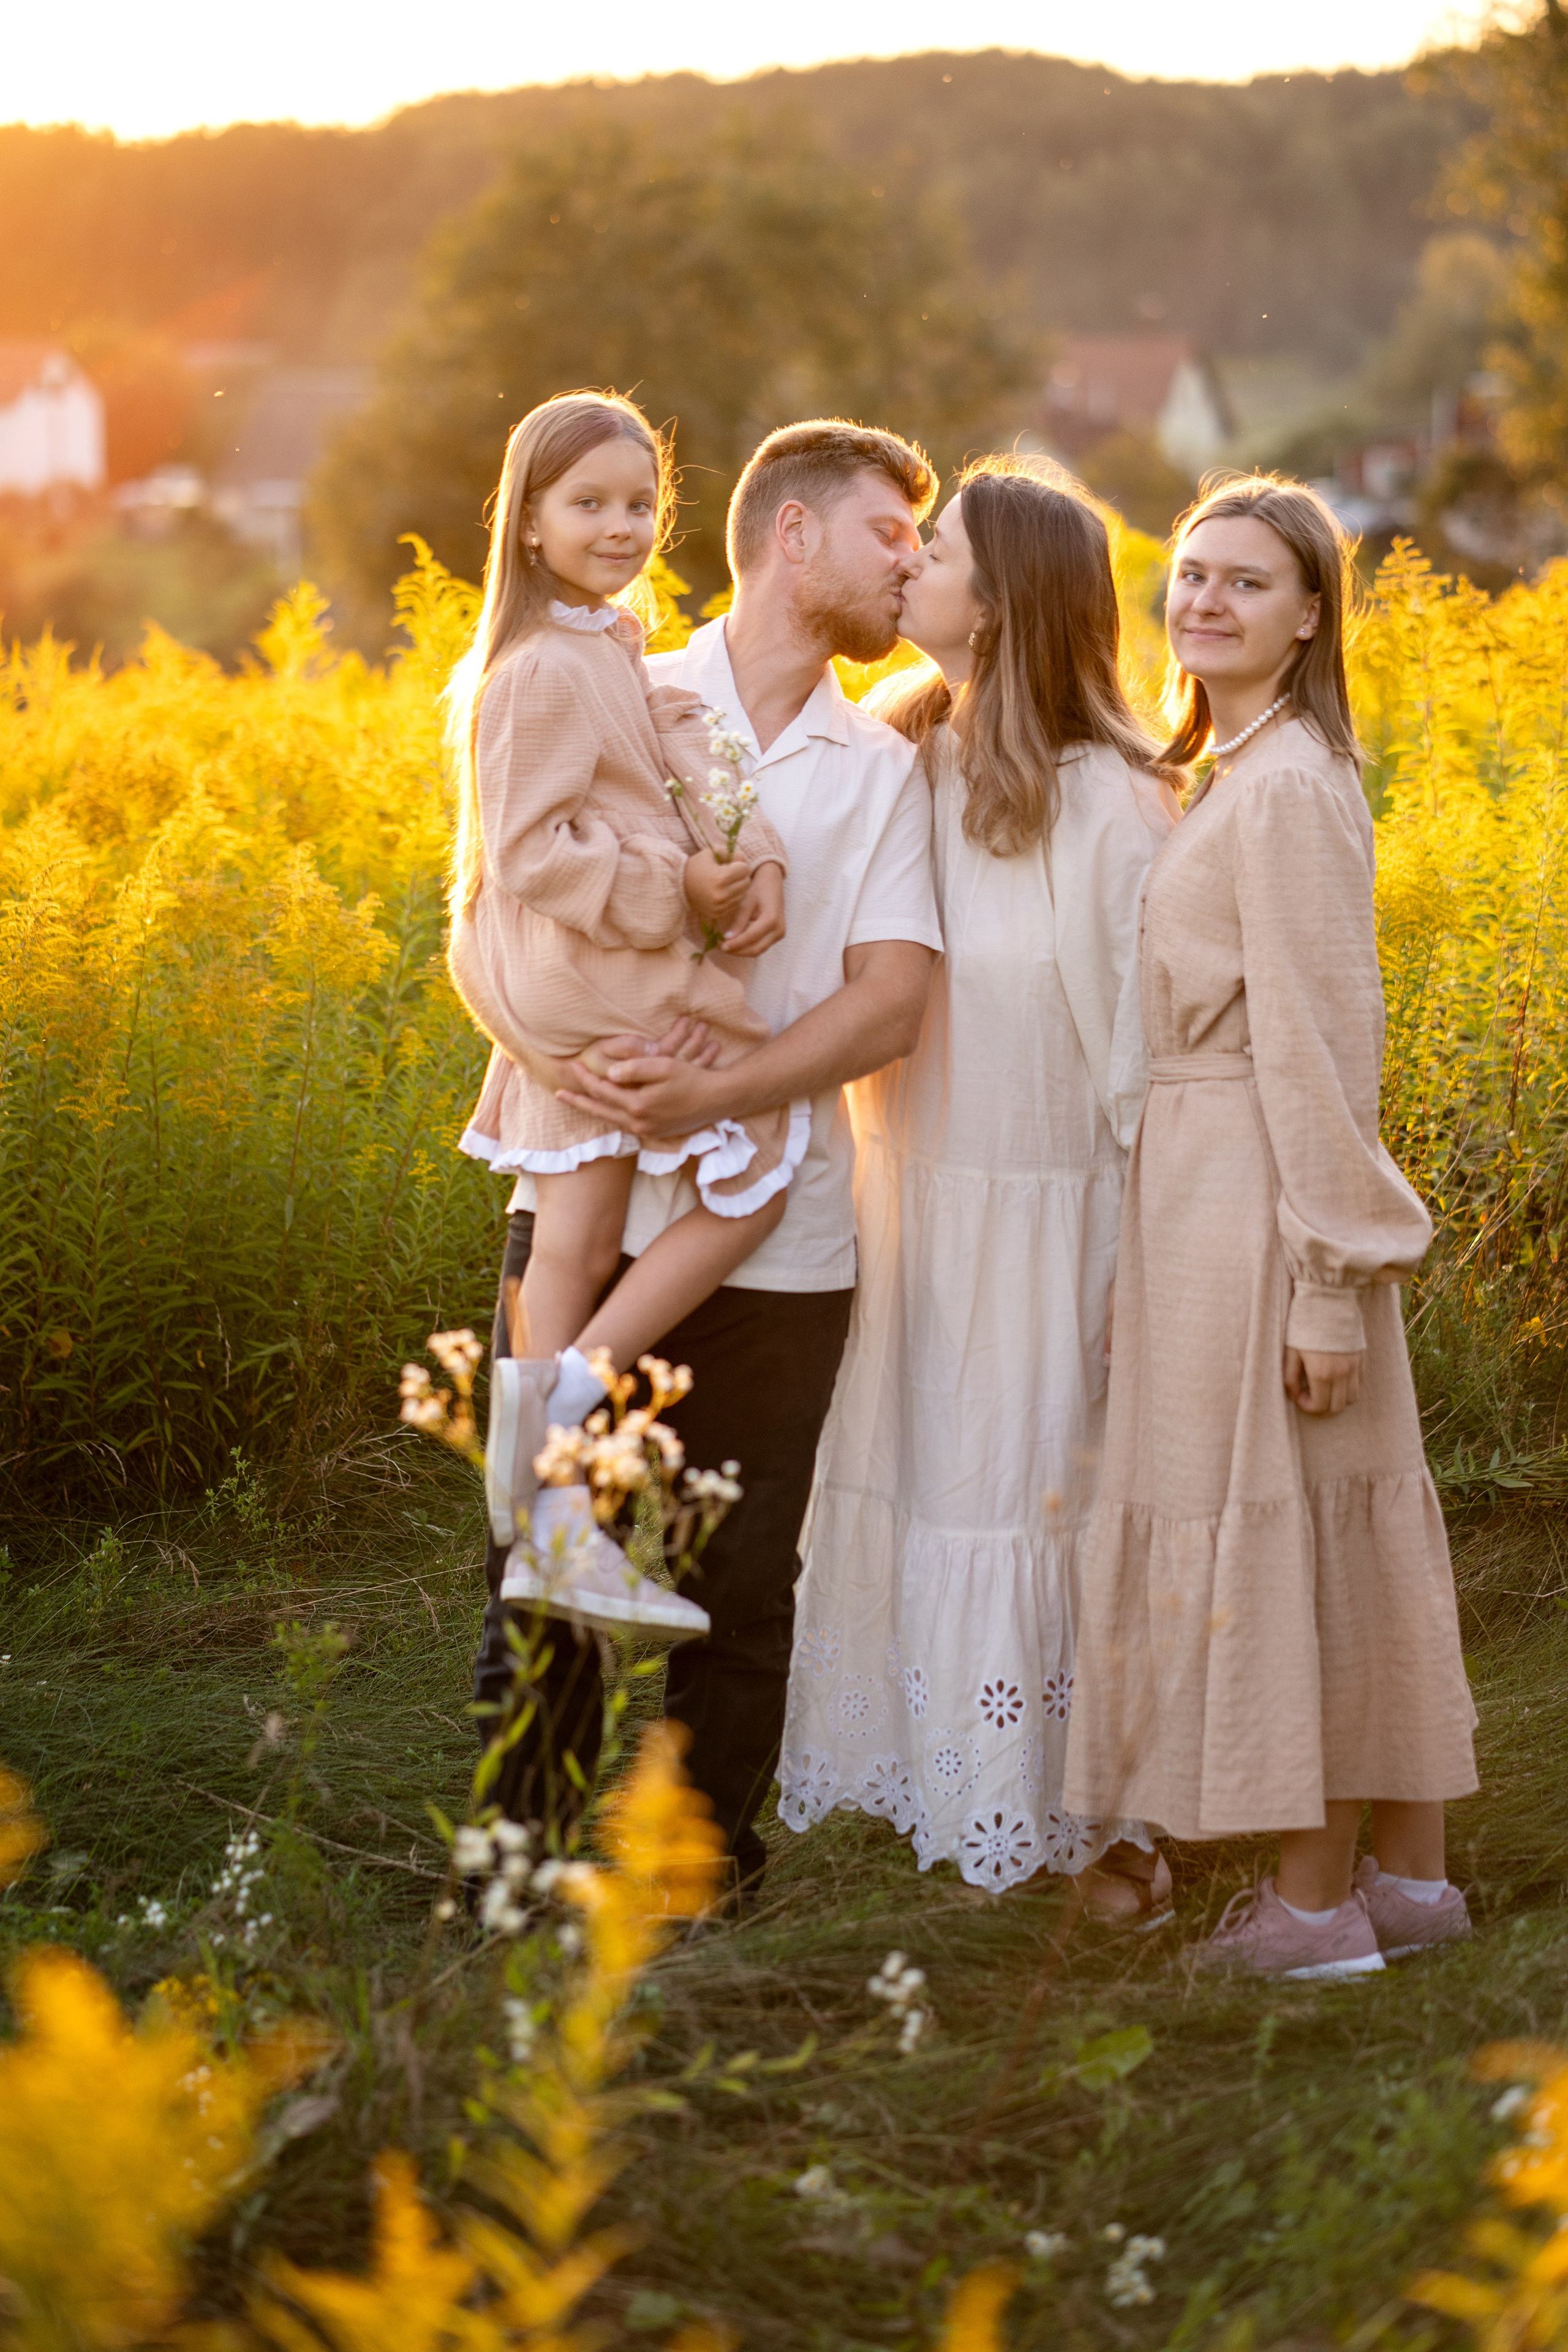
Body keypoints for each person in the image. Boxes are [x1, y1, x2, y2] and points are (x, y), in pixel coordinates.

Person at [473, 419, 944, 1891]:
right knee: (537, 1570)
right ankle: (519, 1882)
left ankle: (694, 1882)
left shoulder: (880, 770)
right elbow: (492, 903)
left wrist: (719, 1086)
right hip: (590, 1197)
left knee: (740, 1588)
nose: (912, 567)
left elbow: (889, 1002)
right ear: (791, 537)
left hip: (781, 1234)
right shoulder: (617, 677)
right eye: (890, 535)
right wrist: (567, 1067)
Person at [1061, 475, 1479, 1979]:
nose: (1205, 601)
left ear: (1309, 614)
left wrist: (1322, 1281)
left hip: (1261, 1202)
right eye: (1188, 575)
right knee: (1336, 1513)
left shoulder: (1290, 787)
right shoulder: (1240, 771)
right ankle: (1409, 1883)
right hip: (1219, 1184)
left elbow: (1321, 1049)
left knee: (1298, 1529)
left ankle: (1307, 1914)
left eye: (1246, 581)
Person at [776, 459, 1180, 1914]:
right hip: (904, 1205)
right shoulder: (901, 756)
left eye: (926, 544)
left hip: (1050, 1221)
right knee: (910, 1482)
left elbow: (1148, 1072)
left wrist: (1145, 1268)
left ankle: (1093, 1821)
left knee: (1032, 1507)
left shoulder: (1109, 803)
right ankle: (921, 1769)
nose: (902, 562)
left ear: (998, 602)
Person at [447, 390, 813, 1637]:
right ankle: (558, 1436)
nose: (619, 525)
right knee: (759, 1153)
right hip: (586, 959)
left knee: (579, 1223)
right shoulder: (541, 669)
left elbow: (690, 749)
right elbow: (533, 850)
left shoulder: (600, 642)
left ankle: (547, 1501)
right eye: (586, 503)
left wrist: (747, 853)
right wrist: (680, 892)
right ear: (529, 522)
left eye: (637, 503)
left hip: (571, 964)